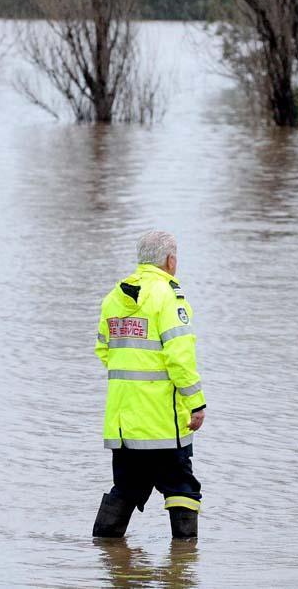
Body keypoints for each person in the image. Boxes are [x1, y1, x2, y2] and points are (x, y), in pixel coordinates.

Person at [91, 231, 207, 540]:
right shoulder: (169, 296)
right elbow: (180, 356)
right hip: (162, 420)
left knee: (127, 487)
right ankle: (182, 566)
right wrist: (196, 402)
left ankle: (104, 553)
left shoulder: (114, 297)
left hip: (123, 422)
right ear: (170, 260)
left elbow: (105, 351)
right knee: (182, 488)